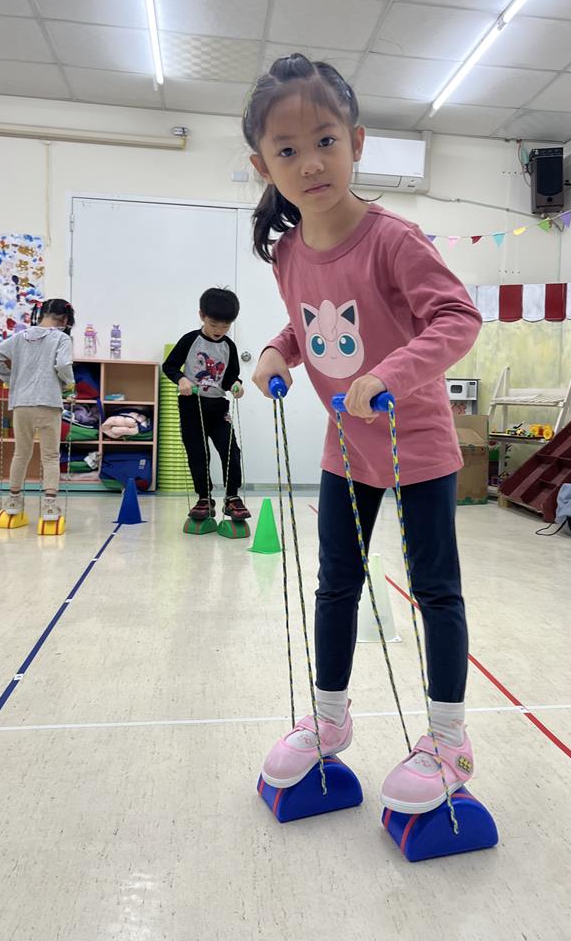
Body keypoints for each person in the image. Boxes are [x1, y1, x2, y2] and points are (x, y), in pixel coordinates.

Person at [245, 54, 482, 815]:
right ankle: (329, 718)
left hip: (418, 445)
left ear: (356, 141)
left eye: (325, 141)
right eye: (287, 150)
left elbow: (457, 318)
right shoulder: (288, 252)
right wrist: (276, 350)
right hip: (345, 448)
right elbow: (309, 321)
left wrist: (392, 373)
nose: (310, 163)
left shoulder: (393, 238)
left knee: (434, 591)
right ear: (263, 166)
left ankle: (448, 740)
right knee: (336, 586)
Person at [163, 288, 250, 522]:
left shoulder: (229, 346)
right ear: (202, 315)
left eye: (225, 326)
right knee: (198, 453)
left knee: (231, 450)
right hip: (192, 406)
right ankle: (204, 497)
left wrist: (237, 385)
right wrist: (181, 379)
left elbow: (231, 376)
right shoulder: (190, 340)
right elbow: (169, 366)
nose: (219, 330)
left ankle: (232, 497)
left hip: (218, 407)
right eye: (214, 324)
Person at [0, 298, 75, 521]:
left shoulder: (20, 337)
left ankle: (13, 501)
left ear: (41, 313)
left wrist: (11, 380)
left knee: (21, 453)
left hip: (22, 403)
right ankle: (49, 507)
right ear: (65, 319)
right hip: (48, 403)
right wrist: (70, 384)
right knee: (50, 455)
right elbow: (63, 364)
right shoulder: (61, 338)